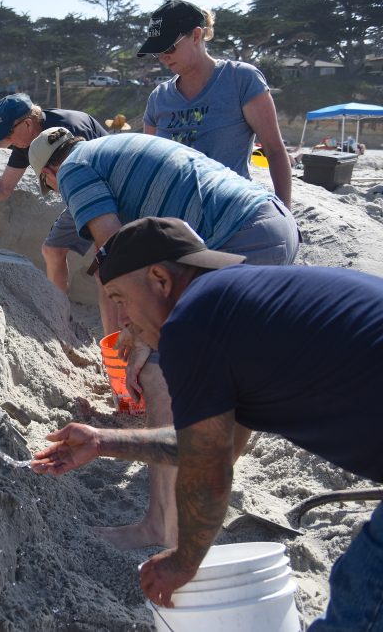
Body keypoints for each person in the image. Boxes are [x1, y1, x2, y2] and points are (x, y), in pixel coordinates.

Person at [31, 216, 383, 630]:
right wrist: (102, 441)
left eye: (120, 298)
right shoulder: (238, 305)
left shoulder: (193, 322)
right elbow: (204, 446)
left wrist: (183, 562)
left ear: (160, 279)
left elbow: (210, 472)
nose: (122, 319)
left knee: (361, 600)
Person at [29, 128, 298, 549]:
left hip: (235, 236)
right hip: (273, 223)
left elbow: (117, 250)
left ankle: (160, 524)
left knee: (157, 370)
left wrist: (138, 336)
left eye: (49, 185)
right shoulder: (112, 150)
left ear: (49, 172)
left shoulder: (74, 171)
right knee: (234, 371)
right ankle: (204, 482)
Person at [138, 0, 291, 208]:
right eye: (157, 51)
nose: (163, 57)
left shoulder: (240, 79)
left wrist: (285, 213)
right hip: (174, 214)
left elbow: (274, 151)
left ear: (197, 35)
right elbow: (151, 165)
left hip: (229, 209)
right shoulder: (159, 98)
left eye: (169, 47)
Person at [0, 93, 108, 293]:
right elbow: (2, 189)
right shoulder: (25, 142)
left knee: (106, 262)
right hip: (79, 195)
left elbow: (91, 183)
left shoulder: (67, 130)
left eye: (8, 134)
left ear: (26, 124)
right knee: (53, 249)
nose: (7, 141)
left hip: (106, 188)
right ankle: (58, 312)